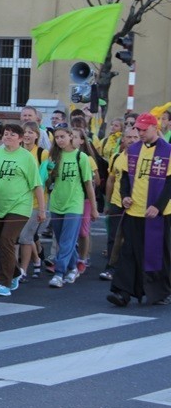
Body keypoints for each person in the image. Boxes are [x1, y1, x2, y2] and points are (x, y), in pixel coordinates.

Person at [108, 113, 171, 306]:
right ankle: (123, 292)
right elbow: (125, 177)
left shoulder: (167, 151)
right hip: (134, 210)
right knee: (128, 252)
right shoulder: (133, 149)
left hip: (159, 213)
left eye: (144, 129)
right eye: (138, 129)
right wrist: (125, 195)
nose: (140, 133)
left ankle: (159, 292)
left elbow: (169, 183)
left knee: (158, 254)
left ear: (155, 127)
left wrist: (157, 207)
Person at [0, 124, 45, 297]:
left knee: (7, 240)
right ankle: (16, 271)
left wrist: (42, 209)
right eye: (6, 134)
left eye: (12, 135)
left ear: (20, 138)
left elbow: (37, 185)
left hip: (20, 206)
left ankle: (4, 283)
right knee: (2, 245)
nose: (8, 137)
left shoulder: (26, 157)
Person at [46, 124, 97, 288]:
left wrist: (94, 208)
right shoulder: (53, 157)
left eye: (63, 136)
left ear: (70, 137)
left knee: (68, 241)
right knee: (62, 240)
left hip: (74, 204)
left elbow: (89, 184)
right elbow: (47, 182)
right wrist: (47, 172)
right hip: (56, 203)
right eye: (57, 137)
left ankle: (59, 273)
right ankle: (74, 266)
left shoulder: (81, 157)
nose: (60, 140)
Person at [101, 126, 139, 281]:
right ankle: (111, 267)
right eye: (129, 137)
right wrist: (108, 203)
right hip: (117, 202)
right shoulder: (117, 157)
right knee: (113, 237)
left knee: (133, 239)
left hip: (137, 205)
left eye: (135, 137)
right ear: (123, 139)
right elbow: (111, 180)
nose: (132, 140)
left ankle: (132, 269)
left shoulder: (143, 158)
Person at [17, 122, 49, 279]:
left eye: (31, 132)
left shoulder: (42, 154)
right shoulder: (18, 152)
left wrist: (43, 208)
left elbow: (43, 180)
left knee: (25, 236)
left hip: (36, 202)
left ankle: (22, 270)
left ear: (37, 135)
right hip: (19, 201)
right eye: (25, 132)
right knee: (23, 236)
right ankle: (36, 260)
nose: (28, 135)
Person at [72, 127, 101, 275]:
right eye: (70, 136)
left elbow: (97, 180)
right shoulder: (62, 156)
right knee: (69, 231)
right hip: (69, 198)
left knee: (83, 232)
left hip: (84, 199)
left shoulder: (87, 158)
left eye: (75, 137)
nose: (72, 139)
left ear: (82, 140)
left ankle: (83, 258)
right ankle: (69, 258)